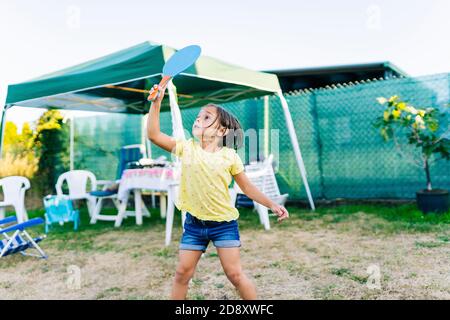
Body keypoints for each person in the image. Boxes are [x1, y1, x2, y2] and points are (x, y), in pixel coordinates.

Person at [146, 82, 289, 300]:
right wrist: (156, 103)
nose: (198, 119)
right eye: (199, 116)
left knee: (234, 274)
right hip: (194, 225)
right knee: (182, 273)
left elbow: (247, 187)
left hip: (224, 226)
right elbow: (154, 135)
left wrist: (272, 204)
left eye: (206, 118)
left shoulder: (230, 156)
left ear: (221, 130)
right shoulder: (186, 148)